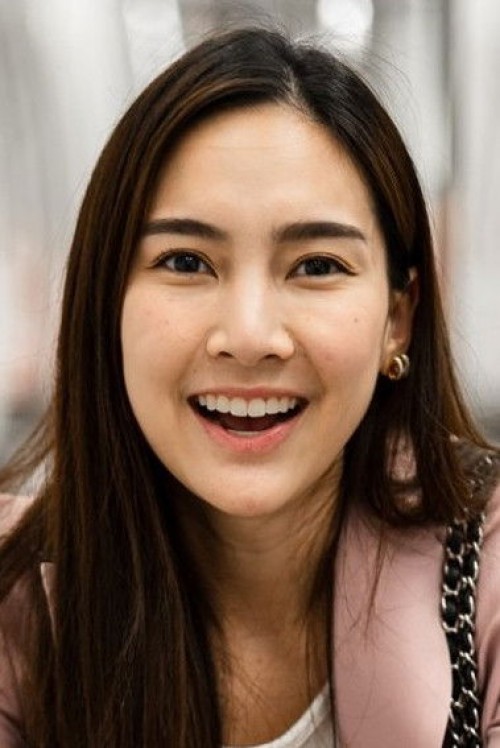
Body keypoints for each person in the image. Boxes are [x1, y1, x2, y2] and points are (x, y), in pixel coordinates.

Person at [0, 26, 498, 748]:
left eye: (317, 266)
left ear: (398, 319)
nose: (251, 334)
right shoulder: (14, 597)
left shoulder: (485, 574)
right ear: (106, 302)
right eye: (186, 262)